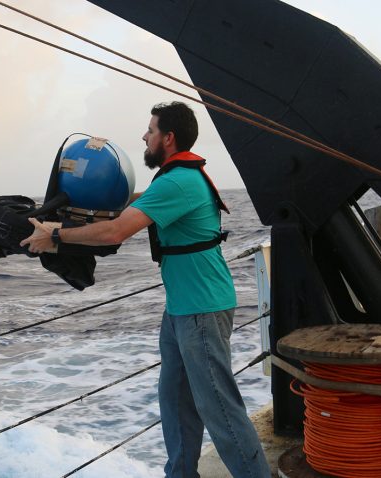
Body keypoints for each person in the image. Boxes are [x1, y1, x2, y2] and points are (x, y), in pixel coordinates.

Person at [20, 101, 270, 478]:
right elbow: (123, 210)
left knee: (219, 408)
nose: (144, 136)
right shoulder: (173, 179)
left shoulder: (179, 182)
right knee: (175, 399)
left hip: (201, 309)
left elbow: (116, 230)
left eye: (150, 130)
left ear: (168, 138)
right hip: (182, 308)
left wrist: (55, 234)